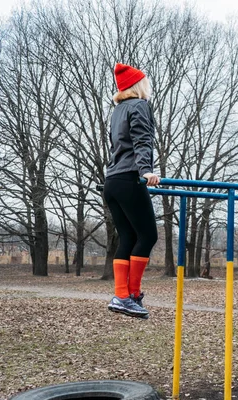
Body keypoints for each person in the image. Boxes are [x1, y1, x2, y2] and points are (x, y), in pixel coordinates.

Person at [103, 63, 160, 319]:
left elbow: (119, 144)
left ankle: (121, 295)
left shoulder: (117, 110)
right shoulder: (139, 105)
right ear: (138, 85)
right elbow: (141, 138)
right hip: (129, 178)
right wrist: (145, 170)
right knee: (147, 236)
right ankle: (132, 294)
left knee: (127, 236)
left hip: (112, 182)